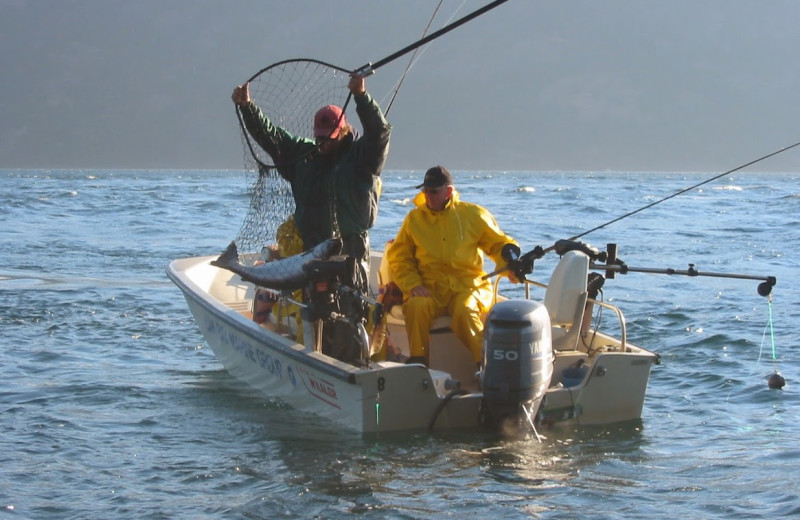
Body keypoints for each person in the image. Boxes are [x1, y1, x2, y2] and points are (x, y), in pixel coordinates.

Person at [231, 74, 391, 288]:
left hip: (351, 248)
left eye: (329, 138)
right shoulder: (303, 155)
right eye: (319, 138)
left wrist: (361, 96)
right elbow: (271, 137)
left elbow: (380, 132)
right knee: (313, 304)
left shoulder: (362, 156)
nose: (323, 143)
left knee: (350, 303)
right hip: (312, 248)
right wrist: (247, 107)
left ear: (343, 132)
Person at [386, 165, 525, 367]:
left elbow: (498, 245)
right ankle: (418, 363)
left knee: (465, 310)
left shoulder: (473, 214)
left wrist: (511, 262)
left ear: (448, 191)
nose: (427, 195)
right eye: (424, 190)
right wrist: (412, 284)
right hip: (430, 289)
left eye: (433, 191)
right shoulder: (413, 220)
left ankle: (486, 366)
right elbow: (400, 257)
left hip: (468, 286)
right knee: (416, 306)